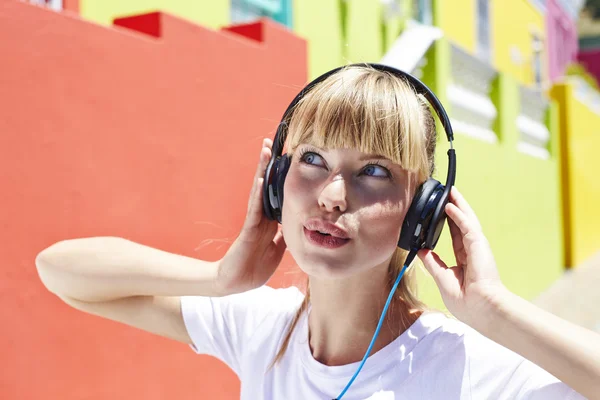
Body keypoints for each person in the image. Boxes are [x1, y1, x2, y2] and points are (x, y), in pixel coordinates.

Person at [35, 64, 599, 400]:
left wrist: (495, 310)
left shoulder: (464, 369)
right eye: (311, 158)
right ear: (277, 181)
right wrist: (219, 276)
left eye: (373, 171)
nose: (332, 196)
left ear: (422, 210)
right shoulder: (262, 326)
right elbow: (60, 271)